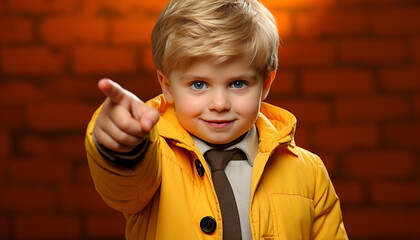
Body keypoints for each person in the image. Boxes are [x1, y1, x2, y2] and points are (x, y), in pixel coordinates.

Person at [85, 0, 348, 239]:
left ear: (266, 83)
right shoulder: (152, 160)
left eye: (238, 83)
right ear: (167, 86)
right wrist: (123, 142)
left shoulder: (308, 173)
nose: (219, 104)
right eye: (199, 84)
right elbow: (123, 182)